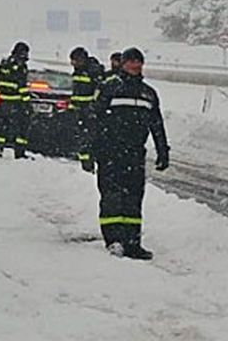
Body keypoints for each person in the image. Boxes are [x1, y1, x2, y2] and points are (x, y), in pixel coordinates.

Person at [93, 47, 169, 260]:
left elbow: (157, 124)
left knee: (133, 198)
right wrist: (89, 150)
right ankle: (114, 240)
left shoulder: (148, 93)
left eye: (139, 62)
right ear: (123, 64)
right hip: (110, 153)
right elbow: (94, 120)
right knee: (111, 197)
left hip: (135, 155)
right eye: (131, 62)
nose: (136, 66)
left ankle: (133, 242)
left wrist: (163, 150)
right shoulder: (109, 88)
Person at [0, 42, 31, 159]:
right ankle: (19, 153)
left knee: (1, 127)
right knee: (21, 127)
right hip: (15, 103)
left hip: (3, 102)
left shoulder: (4, 63)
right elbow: (22, 87)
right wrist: (27, 103)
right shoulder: (21, 66)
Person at [69, 47, 104, 171]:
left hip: (91, 113)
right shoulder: (78, 71)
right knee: (82, 140)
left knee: (90, 140)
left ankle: (91, 166)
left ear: (81, 59)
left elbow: (99, 91)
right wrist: (72, 108)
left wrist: (92, 108)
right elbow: (76, 92)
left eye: (74, 61)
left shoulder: (93, 71)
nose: (73, 64)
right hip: (80, 112)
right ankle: (86, 166)